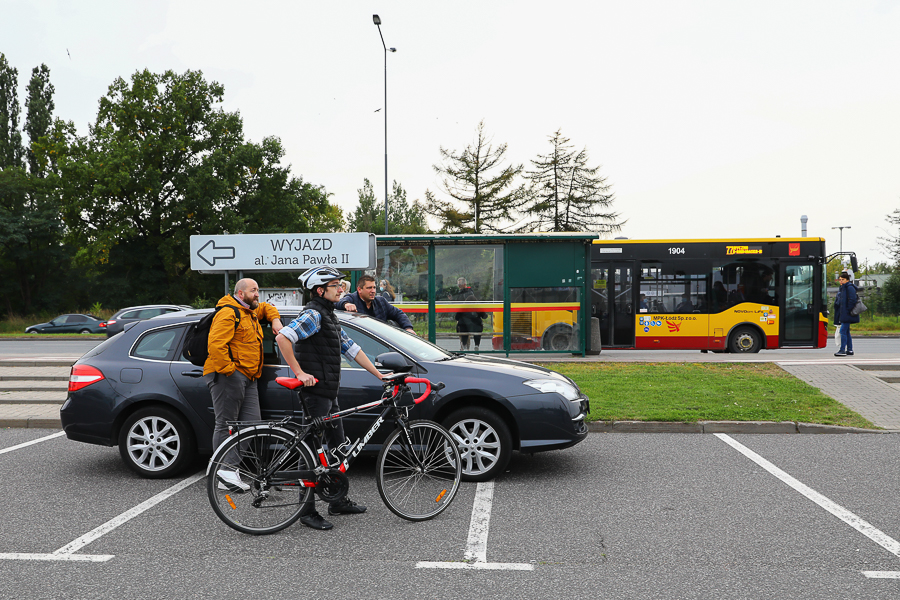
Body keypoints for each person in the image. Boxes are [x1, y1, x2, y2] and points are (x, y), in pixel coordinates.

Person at [275, 267, 386, 531]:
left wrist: (380, 376)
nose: (340, 289)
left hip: (328, 393)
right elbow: (282, 338)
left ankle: (337, 500)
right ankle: (307, 511)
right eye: (335, 285)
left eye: (340, 284)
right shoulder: (313, 314)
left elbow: (353, 349)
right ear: (319, 290)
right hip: (316, 394)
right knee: (313, 451)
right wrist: (300, 373)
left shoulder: (329, 316)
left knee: (338, 447)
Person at [205, 278, 283, 493]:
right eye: (254, 290)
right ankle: (222, 472)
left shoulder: (248, 311)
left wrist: (275, 320)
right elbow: (216, 345)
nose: (258, 294)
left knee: (251, 424)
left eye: (258, 290)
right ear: (241, 294)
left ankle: (229, 470)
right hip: (229, 375)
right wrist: (231, 371)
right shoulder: (229, 312)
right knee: (226, 424)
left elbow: (267, 307)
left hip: (249, 377)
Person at [336, 275, 415, 334]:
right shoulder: (352, 298)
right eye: (369, 288)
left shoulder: (381, 302)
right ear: (359, 290)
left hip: (380, 342)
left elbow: (398, 313)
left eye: (374, 287)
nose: (373, 291)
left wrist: (408, 328)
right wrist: (345, 304)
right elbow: (336, 302)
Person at [450, 277, 487, 351]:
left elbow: (460, 308)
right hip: (472, 321)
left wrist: (459, 315)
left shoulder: (467, 293)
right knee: (475, 327)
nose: (459, 286)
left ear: (464, 284)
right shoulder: (468, 293)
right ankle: (472, 346)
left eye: (460, 284)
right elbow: (484, 315)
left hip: (464, 318)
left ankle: (464, 346)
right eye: (458, 284)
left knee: (463, 328)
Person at [833, 271, 859, 357]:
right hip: (844, 313)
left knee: (842, 331)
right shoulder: (843, 288)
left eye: (843, 279)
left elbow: (852, 300)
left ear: (847, 280)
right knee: (846, 332)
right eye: (840, 279)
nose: (841, 281)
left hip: (847, 313)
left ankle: (842, 350)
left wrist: (847, 310)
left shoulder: (849, 287)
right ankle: (850, 350)